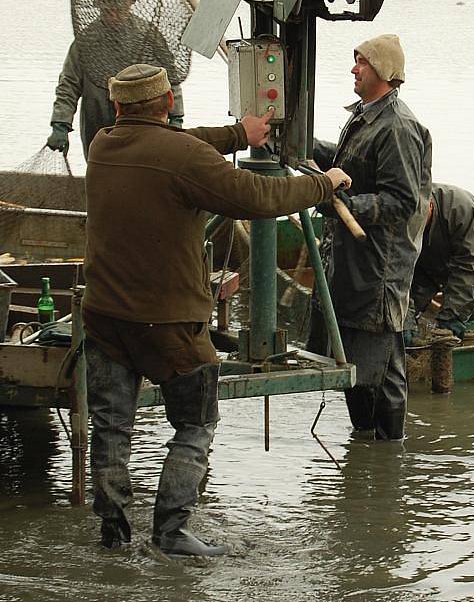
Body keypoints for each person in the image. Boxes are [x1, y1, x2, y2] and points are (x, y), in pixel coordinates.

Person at [82, 63, 351, 556]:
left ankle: (113, 534)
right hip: (168, 322)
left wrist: (237, 134)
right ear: (168, 105)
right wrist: (324, 185)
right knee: (195, 422)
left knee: (112, 426)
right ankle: (171, 532)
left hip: (103, 317)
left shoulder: (102, 144)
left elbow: (178, 146)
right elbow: (257, 195)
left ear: (118, 108)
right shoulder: (181, 155)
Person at [308, 34, 432, 441]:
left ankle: (388, 448)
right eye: (355, 60)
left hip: (379, 265)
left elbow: (400, 202)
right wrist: (305, 147)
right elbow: (351, 164)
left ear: (382, 71)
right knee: (356, 362)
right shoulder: (366, 115)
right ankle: (365, 450)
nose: (354, 69)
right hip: (351, 259)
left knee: (381, 363)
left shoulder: (399, 127)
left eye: (361, 62)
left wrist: (340, 202)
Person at [46, 0, 184, 160]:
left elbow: (170, 79)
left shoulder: (148, 36)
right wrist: (60, 124)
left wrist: (176, 118)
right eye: (107, 10)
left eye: (118, 10)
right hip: (97, 122)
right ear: (100, 9)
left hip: (143, 122)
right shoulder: (85, 42)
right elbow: (68, 85)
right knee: (101, 175)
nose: (113, 15)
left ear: (129, 6)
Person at [409, 182, 474, 338]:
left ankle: (471, 312)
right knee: (418, 294)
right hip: (427, 252)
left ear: (430, 206)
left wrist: (452, 316)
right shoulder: (401, 214)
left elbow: (473, 266)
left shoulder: (460, 209)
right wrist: (405, 321)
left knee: (473, 301)